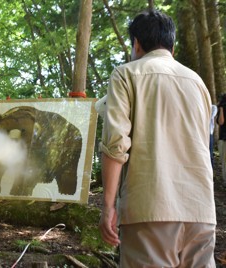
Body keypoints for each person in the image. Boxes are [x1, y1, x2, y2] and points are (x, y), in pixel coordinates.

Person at [98, 10, 216, 267]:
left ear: (137, 44)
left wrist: (108, 206)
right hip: (202, 210)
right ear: (172, 46)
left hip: (150, 208)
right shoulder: (198, 83)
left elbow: (116, 145)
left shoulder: (126, 74)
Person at [217, 94, 226, 186]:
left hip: (223, 138)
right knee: (224, 161)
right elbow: (221, 122)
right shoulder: (222, 104)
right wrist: (221, 108)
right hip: (224, 137)